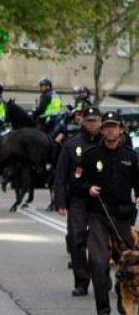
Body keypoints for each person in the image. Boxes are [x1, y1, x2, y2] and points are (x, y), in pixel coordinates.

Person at [82, 111, 139, 315]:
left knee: (129, 261)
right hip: (99, 214)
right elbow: (76, 181)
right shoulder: (91, 155)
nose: (110, 130)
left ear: (121, 130)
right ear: (102, 130)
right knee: (97, 262)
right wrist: (88, 188)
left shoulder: (131, 157)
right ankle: (103, 310)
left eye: (114, 126)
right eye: (106, 126)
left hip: (123, 217)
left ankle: (123, 292)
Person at [54, 106, 102, 297]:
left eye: (95, 120)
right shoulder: (72, 144)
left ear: (100, 122)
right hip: (78, 198)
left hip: (101, 198)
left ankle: (103, 281)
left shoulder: (108, 143)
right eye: (88, 120)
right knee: (76, 238)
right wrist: (60, 201)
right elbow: (61, 175)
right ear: (82, 121)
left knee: (101, 242)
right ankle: (81, 281)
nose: (92, 124)